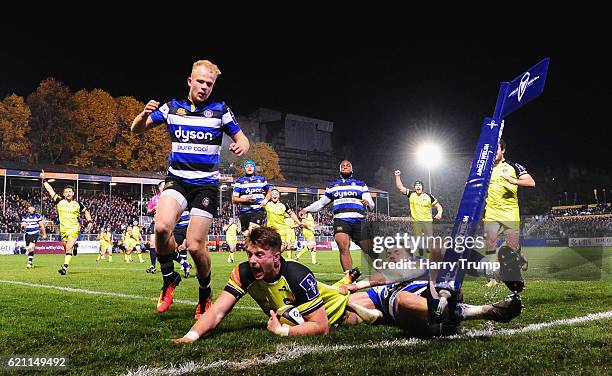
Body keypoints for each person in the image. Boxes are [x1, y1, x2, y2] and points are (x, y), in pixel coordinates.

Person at [131, 59, 249, 318]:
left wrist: (242, 145)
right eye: (201, 82)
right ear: (190, 81)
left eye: (210, 84)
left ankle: (205, 292)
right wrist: (142, 115)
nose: (205, 87)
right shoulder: (173, 107)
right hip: (178, 180)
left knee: (195, 247)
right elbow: (136, 130)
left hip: (206, 185)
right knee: (161, 228)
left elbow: (242, 138)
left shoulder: (220, 110)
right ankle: (169, 278)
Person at [171, 226, 382, 343]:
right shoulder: (243, 272)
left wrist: (282, 332)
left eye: (260, 254)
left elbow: (322, 327)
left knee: (384, 302)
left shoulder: (297, 275)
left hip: (337, 310)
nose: (252, 260)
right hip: (303, 310)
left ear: (276, 257)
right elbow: (217, 311)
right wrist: (191, 336)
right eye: (250, 254)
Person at [339, 247, 523, 336]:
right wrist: (342, 300)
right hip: (412, 309)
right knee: (400, 300)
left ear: (410, 255)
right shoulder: (382, 289)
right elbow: (348, 307)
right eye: (388, 254)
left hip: (433, 293)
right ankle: (486, 311)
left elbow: (394, 274)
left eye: (396, 252)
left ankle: (496, 272)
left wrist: (355, 285)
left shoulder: (418, 265)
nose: (391, 256)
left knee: (447, 247)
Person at [299, 160, 373, 278]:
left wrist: (367, 202)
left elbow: (371, 204)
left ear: (352, 169)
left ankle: (385, 272)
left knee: (370, 249)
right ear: (339, 169)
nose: (345, 167)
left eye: (348, 165)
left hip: (359, 220)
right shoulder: (333, 186)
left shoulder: (360, 184)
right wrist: (306, 209)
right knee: (343, 246)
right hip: (341, 220)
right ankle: (349, 278)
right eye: (342, 166)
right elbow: (321, 203)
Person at [483, 139, 535, 292]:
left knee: (512, 247)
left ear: (503, 150)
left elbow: (531, 182)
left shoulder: (513, 166)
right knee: (490, 243)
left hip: (510, 212)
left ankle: (519, 257)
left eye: (496, 149)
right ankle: (492, 278)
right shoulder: (486, 169)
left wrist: (513, 180)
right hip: (491, 211)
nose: (493, 153)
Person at [41, 170, 93, 275]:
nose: (68, 193)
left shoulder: (78, 204)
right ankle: (75, 247)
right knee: (66, 248)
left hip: (74, 228)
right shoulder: (59, 201)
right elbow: (50, 190)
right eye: (66, 192)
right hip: (63, 229)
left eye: (70, 192)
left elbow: (86, 212)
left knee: (68, 247)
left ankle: (64, 268)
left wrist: (90, 221)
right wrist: (44, 180)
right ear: (63, 194)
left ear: (73, 193)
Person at [232, 160, 271, 237]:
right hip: (245, 210)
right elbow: (234, 198)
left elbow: (269, 192)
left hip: (258, 209)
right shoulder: (240, 181)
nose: (249, 168)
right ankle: (251, 247)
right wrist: (245, 200)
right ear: (245, 169)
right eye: (247, 166)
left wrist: (264, 202)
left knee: (254, 228)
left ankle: (258, 246)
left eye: (251, 166)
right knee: (246, 233)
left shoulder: (261, 179)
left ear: (254, 168)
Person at [265, 189, 301, 256]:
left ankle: (274, 257)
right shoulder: (267, 204)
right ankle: (273, 259)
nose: (274, 195)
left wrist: (299, 223)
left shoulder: (283, 204)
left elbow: (292, 214)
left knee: (282, 247)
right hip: (270, 230)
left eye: (276, 194)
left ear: (279, 196)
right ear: (270, 196)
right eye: (273, 194)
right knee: (270, 247)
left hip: (281, 230)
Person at [145, 181, 165, 273]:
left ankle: (183, 263)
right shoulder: (154, 199)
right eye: (164, 185)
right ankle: (153, 266)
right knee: (152, 244)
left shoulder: (170, 199)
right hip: (155, 222)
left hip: (166, 223)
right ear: (160, 188)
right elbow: (148, 211)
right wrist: (153, 209)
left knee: (167, 246)